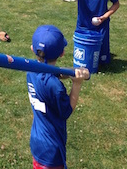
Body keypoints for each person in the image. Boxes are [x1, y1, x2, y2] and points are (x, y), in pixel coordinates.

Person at [27, 25, 90, 169]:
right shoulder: (55, 86)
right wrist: (77, 84)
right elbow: (66, 111)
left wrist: (72, 72)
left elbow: (52, 74)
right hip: (52, 148)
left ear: (32, 49)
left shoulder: (30, 71)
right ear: (62, 53)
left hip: (37, 141)